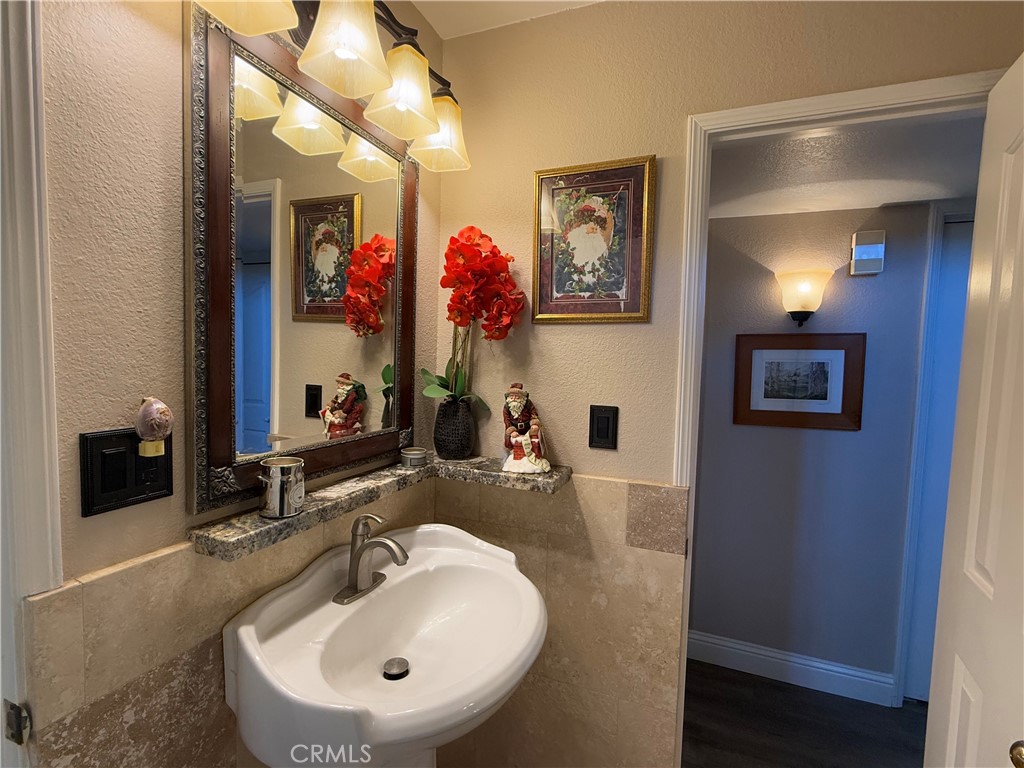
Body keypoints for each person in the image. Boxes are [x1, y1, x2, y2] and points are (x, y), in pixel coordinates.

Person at [502, 383, 551, 473]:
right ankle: (515, 456)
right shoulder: (507, 407)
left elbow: (533, 413)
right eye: (512, 396)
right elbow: (507, 420)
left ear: (521, 396)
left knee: (535, 439)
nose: (514, 398)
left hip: (528, 427)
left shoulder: (527, 403)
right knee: (511, 441)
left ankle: (535, 456)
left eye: (516, 396)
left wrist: (534, 423)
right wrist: (511, 430)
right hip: (515, 428)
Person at [320, 373, 366, 438]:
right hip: (339, 409)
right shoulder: (341, 392)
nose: (338, 385)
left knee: (345, 424)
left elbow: (348, 405)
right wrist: (331, 403)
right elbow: (336, 398)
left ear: (347, 384)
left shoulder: (352, 394)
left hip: (348, 413)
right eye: (338, 383)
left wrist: (342, 412)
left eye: (341, 383)